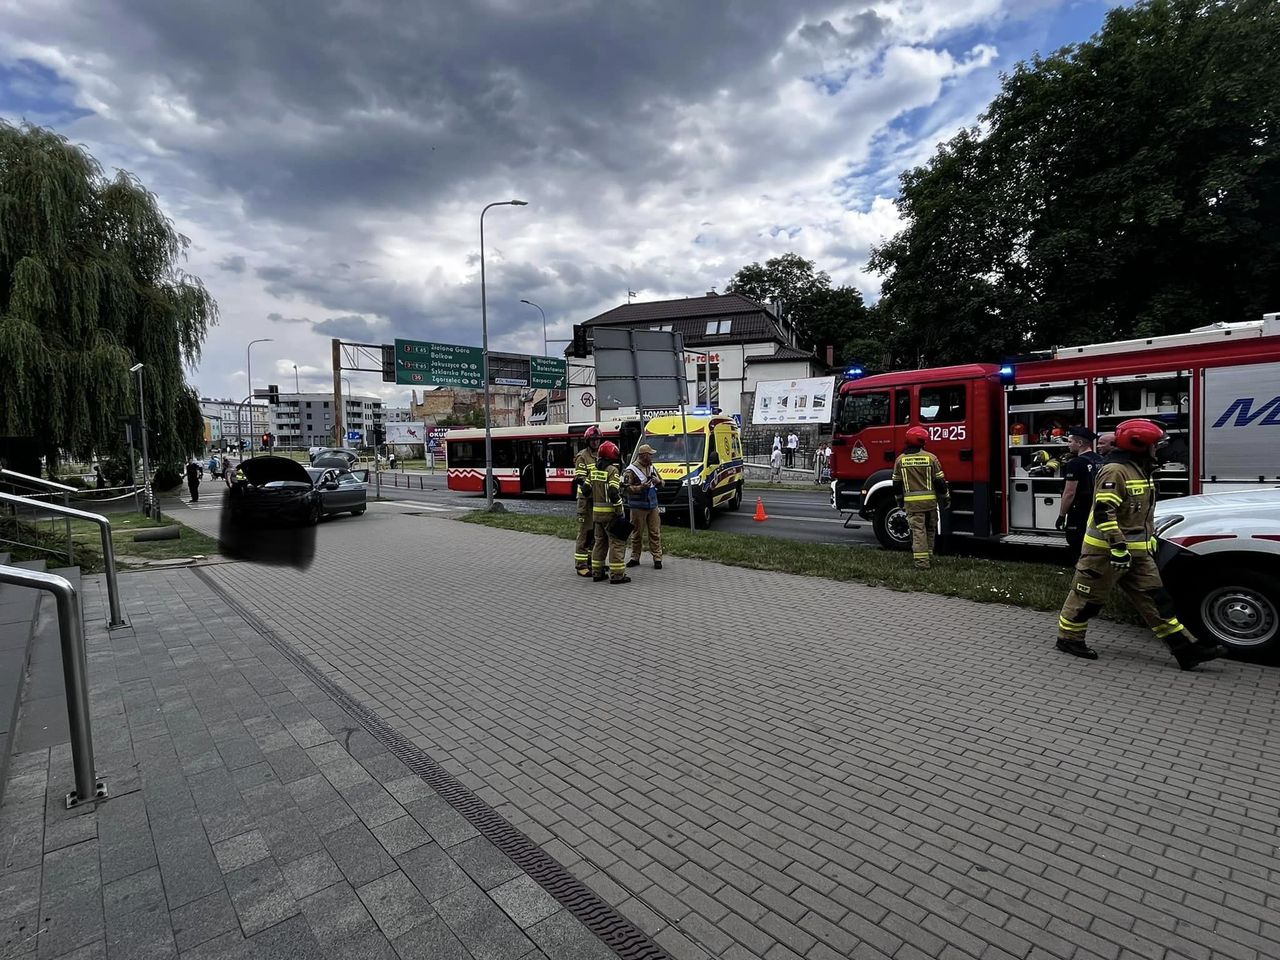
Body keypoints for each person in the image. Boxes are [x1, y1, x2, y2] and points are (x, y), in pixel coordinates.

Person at [1055, 418, 1225, 669]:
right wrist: (1119, 547)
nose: (1159, 449)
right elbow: (1104, 513)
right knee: (1087, 599)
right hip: (1104, 553)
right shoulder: (1115, 470)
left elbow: (1140, 513)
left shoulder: (1141, 469)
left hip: (1138, 554)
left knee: (1157, 600)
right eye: (1155, 445)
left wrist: (1148, 541)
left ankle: (1186, 649)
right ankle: (1068, 638)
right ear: (1140, 445)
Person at [892, 426, 949, 569]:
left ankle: (921, 563)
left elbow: (896, 484)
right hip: (930, 503)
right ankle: (928, 555)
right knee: (930, 529)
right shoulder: (931, 458)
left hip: (913, 505)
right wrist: (945, 496)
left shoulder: (900, 460)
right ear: (923, 441)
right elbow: (940, 482)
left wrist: (899, 500)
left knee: (918, 532)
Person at [1056, 426, 1103, 557]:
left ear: (1080, 443)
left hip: (1080, 510)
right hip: (1096, 507)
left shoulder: (1075, 463)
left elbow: (1069, 493)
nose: (1068, 445)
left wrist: (1061, 516)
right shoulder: (1100, 460)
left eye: (1070, 441)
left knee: (1076, 542)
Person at [589, 441, 629, 583]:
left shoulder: (594, 470)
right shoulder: (612, 470)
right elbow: (613, 492)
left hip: (596, 515)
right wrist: (619, 511)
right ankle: (617, 575)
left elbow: (587, 489)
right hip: (611, 514)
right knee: (616, 544)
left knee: (599, 543)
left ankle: (597, 573)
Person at [625, 444, 663, 570]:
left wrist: (659, 482)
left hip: (652, 505)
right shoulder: (631, 470)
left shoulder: (652, 467)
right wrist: (641, 488)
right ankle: (635, 557)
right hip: (638, 507)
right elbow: (626, 488)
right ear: (643, 456)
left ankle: (657, 558)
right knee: (637, 534)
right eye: (650, 454)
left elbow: (662, 482)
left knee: (655, 532)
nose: (652, 456)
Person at [573, 426, 603, 576]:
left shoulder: (601, 455)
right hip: (585, 500)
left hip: (598, 500)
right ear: (588, 441)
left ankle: (593, 561)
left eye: (598, 439)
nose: (596, 442)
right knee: (585, 532)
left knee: (595, 533)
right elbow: (579, 478)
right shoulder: (582, 456)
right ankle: (581, 565)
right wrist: (587, 484)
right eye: (593, 440)